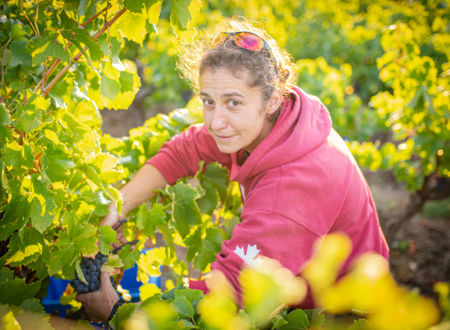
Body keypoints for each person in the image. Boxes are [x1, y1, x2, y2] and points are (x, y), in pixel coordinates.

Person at [77, 18, 389, 323]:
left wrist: (118, 314)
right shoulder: (272, 125)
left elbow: (227, 297)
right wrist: (117, 207)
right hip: (295, 295)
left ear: (272, 99)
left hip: (343, 316)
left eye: (233, 103)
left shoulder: (295, 185)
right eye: (208, 101)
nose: (215, 121)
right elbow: (185, 149)